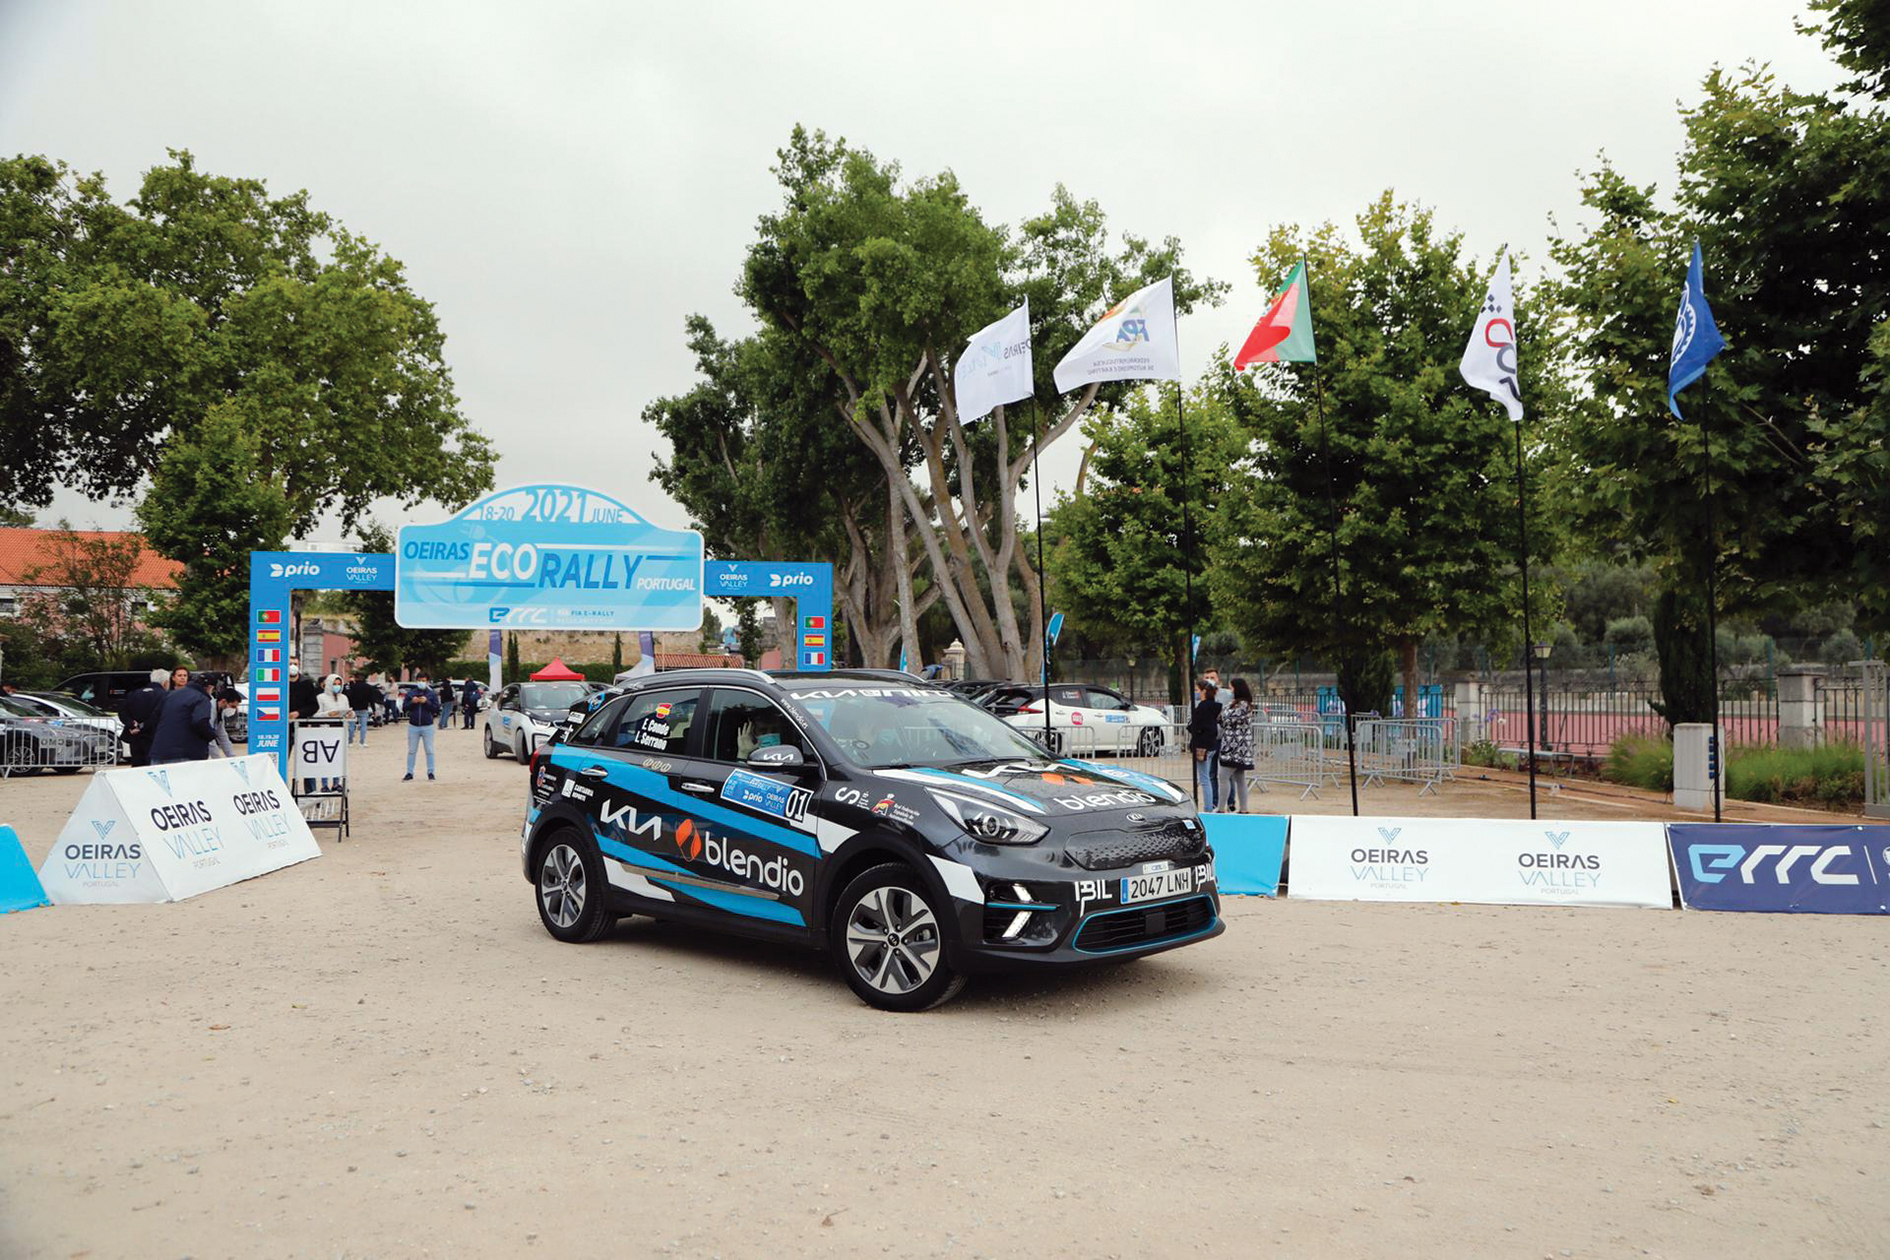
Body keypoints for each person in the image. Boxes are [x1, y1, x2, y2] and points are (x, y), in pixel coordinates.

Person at [148, 672, 217, 765]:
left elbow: (154, 718)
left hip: (159, 751)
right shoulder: (201, 698)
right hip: (186, 753)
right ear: (209, 687)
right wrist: (211, 735)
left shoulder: (170, 695)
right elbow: (200, 721)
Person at [1218, 678, 1255, 814]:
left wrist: (1223, 715)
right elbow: (1222, 717)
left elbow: (1226, 718)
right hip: (1235, 746)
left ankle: (1221, 808)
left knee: (1223, 776)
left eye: (1231, 687)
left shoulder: (1243, 705)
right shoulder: (1234, 704)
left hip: (1236, 747)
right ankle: (1243, 808)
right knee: (1239, 778)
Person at [120, 668, 169, 767]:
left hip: (135, 737)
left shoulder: (133, 694)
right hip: (155, 737)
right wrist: (143, 726)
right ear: (166, 682)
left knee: (137, 766)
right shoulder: (165, 696)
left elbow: (122, 712)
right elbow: (160, 716)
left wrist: (131, 724)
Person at [1188, 678, 1222, 812]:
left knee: (1204, 778)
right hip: (1212, 744)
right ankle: (1210, 805)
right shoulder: (1215, 706)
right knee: (1208, 776)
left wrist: (1192, 728)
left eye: (1198, 690)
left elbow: (1196, 725)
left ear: (1203, 691)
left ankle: (1208, 807)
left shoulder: (1203, 707)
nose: (1196, 693)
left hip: (1202, 745)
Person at [403, 671, 441, 782]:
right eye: (419, 680)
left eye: (423, 681)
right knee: (411, 750)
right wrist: (412, 702)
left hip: (427, 725)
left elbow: (436, 709)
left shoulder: (432, 694)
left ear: (427, 681)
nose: (421, 682)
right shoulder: (411, 693)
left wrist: (427, 702)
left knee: (429, 750)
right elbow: (405, 708)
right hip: (413, 725)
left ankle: (431, 772)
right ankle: (409, 772)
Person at [344, 671, 379, 746]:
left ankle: (350, 741)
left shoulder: (352, 686)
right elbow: (371, 700)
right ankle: (362, 742)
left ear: (355, 678)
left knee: (351, 726)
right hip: (364, 708)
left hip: (353, 708)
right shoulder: (368, 687)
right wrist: (374, 710)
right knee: (363, 726)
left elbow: (349, 697)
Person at [209, 687, 244, 758]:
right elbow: (208, 736)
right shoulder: (209, 710)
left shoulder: (220, 712)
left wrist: (232, 757)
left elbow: (222, 734)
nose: (234, 709)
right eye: (232, 706)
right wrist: (217, 759)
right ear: (223, 701)